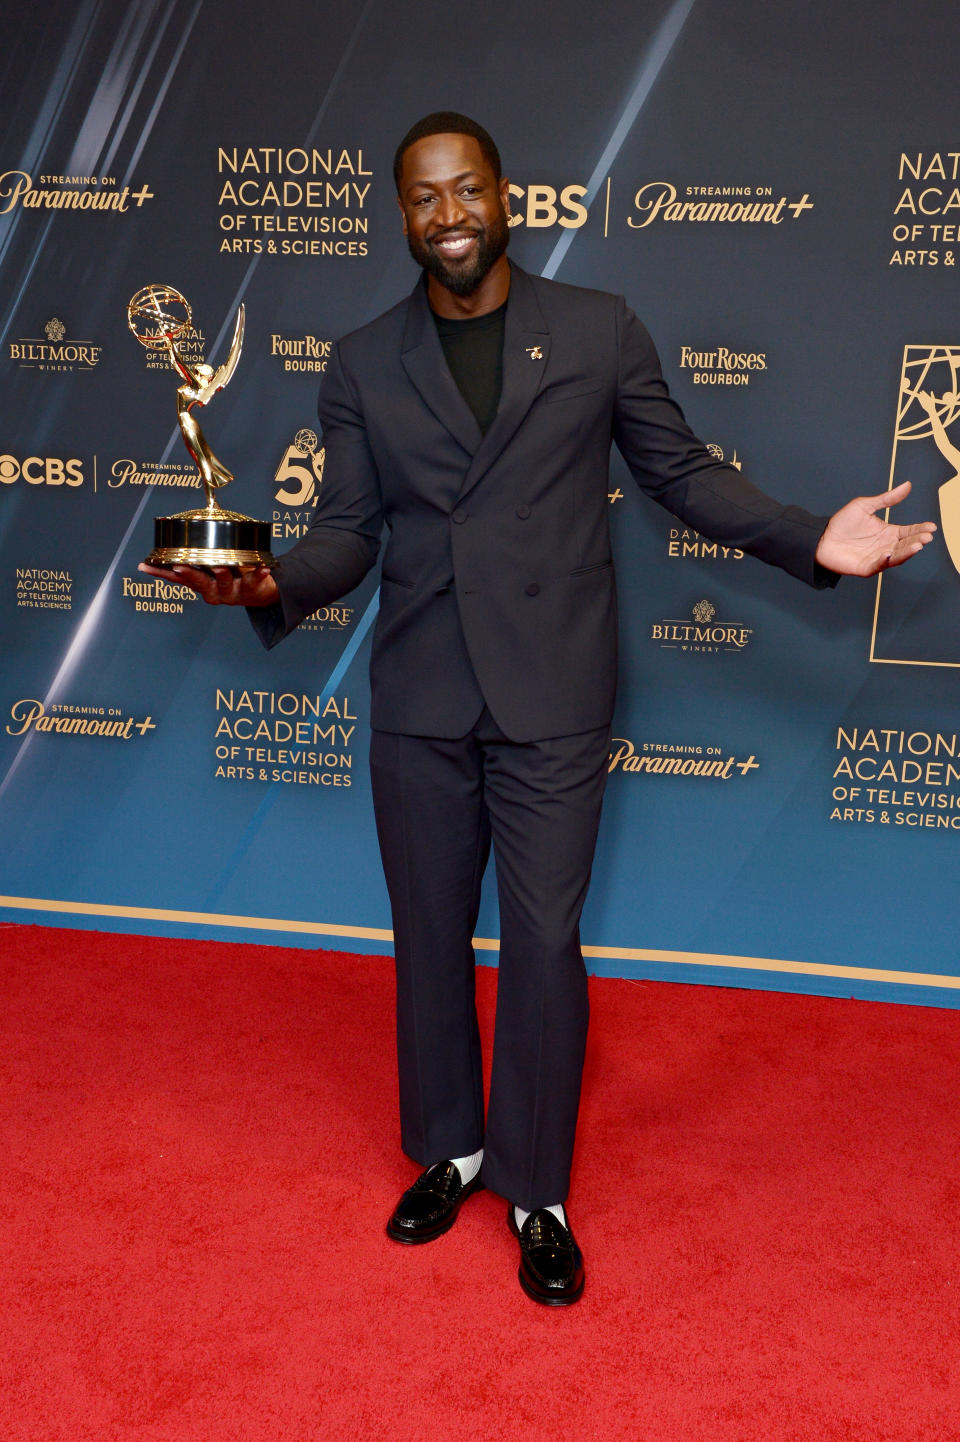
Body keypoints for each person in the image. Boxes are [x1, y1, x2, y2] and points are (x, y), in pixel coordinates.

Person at [141, 112, 936, 1307]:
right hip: (420, 695)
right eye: (423, 197)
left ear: (507, 196)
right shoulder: (361, 360)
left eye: (466, 190)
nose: (448, 214)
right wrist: (265, 579)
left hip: (554, 697)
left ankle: (535, 1188)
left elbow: (680, 474)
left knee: (547, 943)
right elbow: (348, 533)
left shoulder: (598, 329)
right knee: (426, 938)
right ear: (401, 215)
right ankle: (450, 1149)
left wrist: (811, 537)